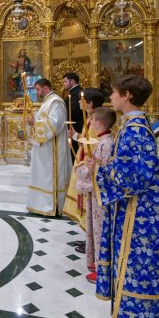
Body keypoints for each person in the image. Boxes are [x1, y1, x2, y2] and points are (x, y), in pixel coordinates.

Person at [86, 75, 159, 318]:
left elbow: (133, 177)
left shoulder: (134, 130)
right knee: (135, 267)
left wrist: (100, 170)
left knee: (141, 269)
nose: (110, 97)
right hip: (140, 211)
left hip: (142, 215)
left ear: (128, 96)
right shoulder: (133, 126)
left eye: (114, 93)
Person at [74, 106, 115, 284]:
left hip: (101, 196)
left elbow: (103, 170)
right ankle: (97, 262)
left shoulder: (106, 144)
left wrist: (88, 168)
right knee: (95, 229)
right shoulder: (104, 141)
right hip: (96, 195)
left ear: (98, 123)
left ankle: (102, 268)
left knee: (100, 231)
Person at [62, 87, 105, 245]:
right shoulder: (91, 117)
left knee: (88, 202)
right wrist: (75, 135)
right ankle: (88, 238)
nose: (79, 102)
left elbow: (91, 144)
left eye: (82, 99)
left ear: (90, 103)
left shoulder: (94, 120)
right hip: (83, 161)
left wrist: (75, 136)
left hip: (88, 166)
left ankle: (91, 240)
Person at [26, 78, 72, 216]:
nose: (37, 92)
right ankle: (40, 204)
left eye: (38, 89)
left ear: (45, 88)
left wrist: (35, 123)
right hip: (45, 147)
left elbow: (54, 124)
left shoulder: (56, 102)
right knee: (42, 175)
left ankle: (52, 206)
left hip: (53, 148)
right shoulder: (48, 101)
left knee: (49, 176)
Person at [62, 72, 82, 159]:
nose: (63, 84)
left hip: (75, 128)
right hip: (74, 128)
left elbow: (75, 111)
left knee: (75, 154)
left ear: (72, 81)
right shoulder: (74, 92)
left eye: (65, 81)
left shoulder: (76, 93)